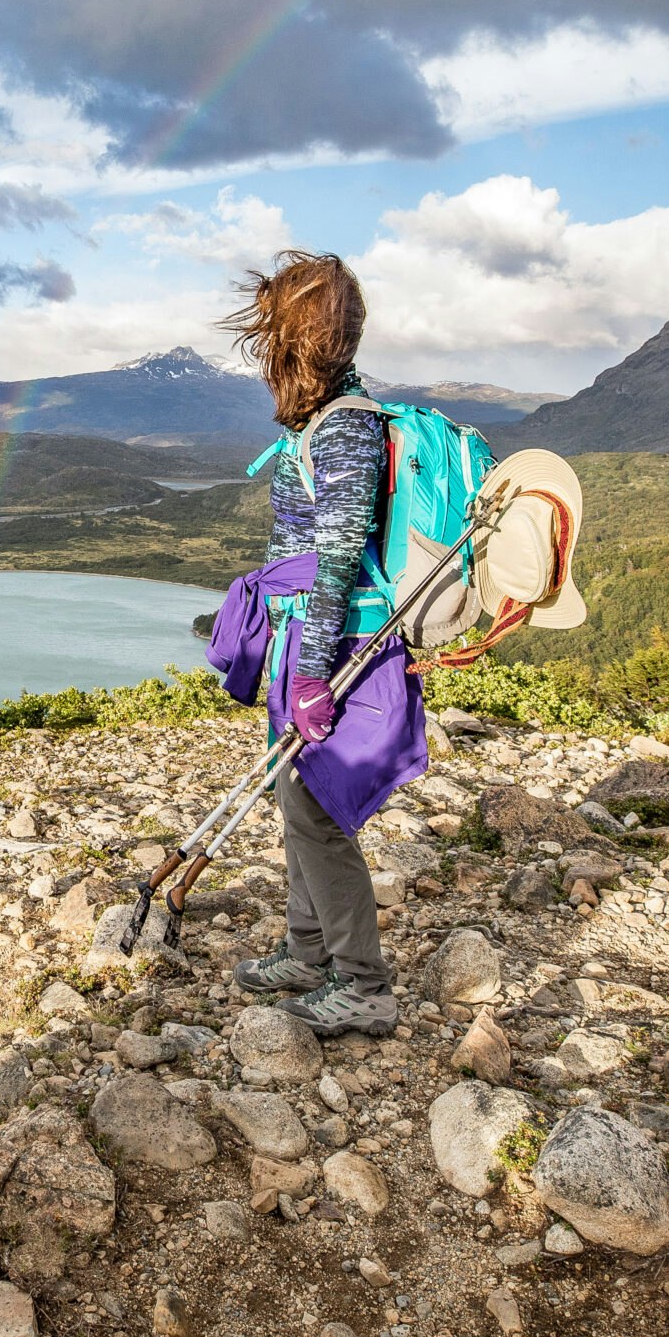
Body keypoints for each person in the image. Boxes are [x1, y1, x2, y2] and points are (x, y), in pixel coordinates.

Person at [217, 251, 410, 1038]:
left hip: (335, 641)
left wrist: (312, 675)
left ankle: (363, 982)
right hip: (307, 636)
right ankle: (306, 949)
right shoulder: (327, 421)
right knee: (293, 795)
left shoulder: (346, 431)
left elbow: (334, 561)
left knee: (318, 804)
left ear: (300, 338)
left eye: (277, 332)